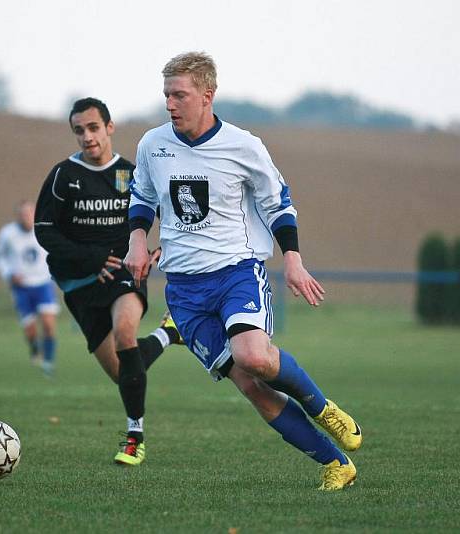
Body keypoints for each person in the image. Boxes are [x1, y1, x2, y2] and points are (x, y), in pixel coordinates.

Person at [124, 52, 362, 490]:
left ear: (207, 95)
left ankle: (320, 405)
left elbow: (278, 204)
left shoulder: (244, 145)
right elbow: (141, 197)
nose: (170, 104)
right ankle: (336, 464)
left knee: (255, 357)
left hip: (236, 272)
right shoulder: (152, 145)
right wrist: (138, 239)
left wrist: (292, 257)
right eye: (166, 96)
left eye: (180, 95)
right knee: (251, 387)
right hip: (183, 290)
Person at [35, 97, 181, 466]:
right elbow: (44, 231)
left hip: (125, 271)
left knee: (125, 335)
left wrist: (165, 246)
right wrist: (91, 260)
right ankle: (168, 334)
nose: (87, 137)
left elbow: (170, 213)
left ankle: (134, 438)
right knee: (123, 372)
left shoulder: (133, 174)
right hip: (79, 284)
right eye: (79, 131)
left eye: (93, 128)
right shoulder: (63, 177)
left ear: (109, 127)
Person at [0, 200, 59, 376]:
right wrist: (9, 274)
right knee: (30, 330)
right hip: (21, 287)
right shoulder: (8, 233)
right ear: (18, 216)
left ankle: (48, 363)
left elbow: (56, 249)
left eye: (30, 213)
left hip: (43, 284)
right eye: (23, 214)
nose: (27, 217)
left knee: (48, 324)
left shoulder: (45, 228)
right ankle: (34, 347)